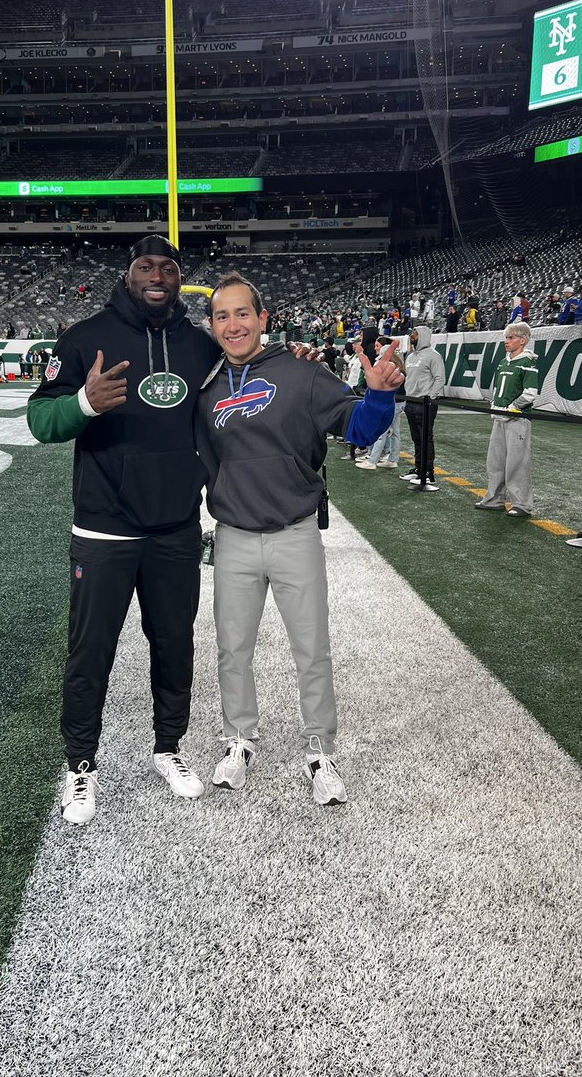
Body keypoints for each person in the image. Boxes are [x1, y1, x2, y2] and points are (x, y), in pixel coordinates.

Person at [26, 235, 221, 826]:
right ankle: (80, 766)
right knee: (91, 653)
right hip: (105, 528)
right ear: (128, 274)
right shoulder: (86, 337)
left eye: (168, 267)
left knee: (175, 644)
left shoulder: (199, 345)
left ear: (179, 278)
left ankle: (168, 749)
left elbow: (226, 419)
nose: (157, 275)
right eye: (145, 266)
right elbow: (40, 420)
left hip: (176, 529)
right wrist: (83, 403)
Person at [194, 275, 403, 805]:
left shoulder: (304, 371)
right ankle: (239, 738)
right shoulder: (206, 383)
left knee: (311, 650)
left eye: (243, 314)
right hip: (235, 536)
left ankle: (319, 749)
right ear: (211, 325)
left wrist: (378, 396)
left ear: (264, 319)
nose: (233, 325)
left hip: (294, 532)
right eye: (222, 316)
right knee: (232, 649)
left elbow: (357, 428)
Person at [475, 322, 539, 517]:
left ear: (523, 340)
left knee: (517, 462)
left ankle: (521, 503)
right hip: (500, 417)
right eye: (506, 338)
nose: (507, 341)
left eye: (511, 338)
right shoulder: (504, 362)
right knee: (495, 461)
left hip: (516, 419)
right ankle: (494, 498)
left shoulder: (527, 362)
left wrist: (513, 408)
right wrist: (497, 404)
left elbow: (530, 393)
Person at [402, 325, 446, 490]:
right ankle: (419, 469)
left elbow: (440, 379)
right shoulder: (411, 356)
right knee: (416, 438)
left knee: (426, 437)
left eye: (415, 333)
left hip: (424, 403)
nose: (412, 336)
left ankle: (428, 472)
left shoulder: (434, 356)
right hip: (410, 401)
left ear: (423, 335)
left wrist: (429, 398)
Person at [356, 335, 406, 470]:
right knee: (395, 432)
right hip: (399, 401)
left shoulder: (389, 366)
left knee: (381, 431)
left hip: (390, 401)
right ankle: (393, 459)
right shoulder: (399, 364)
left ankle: (373, 460)